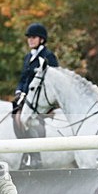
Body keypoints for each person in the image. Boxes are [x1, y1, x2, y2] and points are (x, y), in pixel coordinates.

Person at [12, 23, 59, 169]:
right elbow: (23, 78)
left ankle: (36, 155)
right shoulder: (28, 57)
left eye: (33, 37)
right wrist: (19, 91)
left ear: (41, 39)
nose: (30, 40)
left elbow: (53, 79)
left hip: (41, 98)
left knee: (30, 119)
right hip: (26, 96)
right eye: (29, 37)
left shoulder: (48, 56)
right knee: (16, 116)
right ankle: (25, 151)